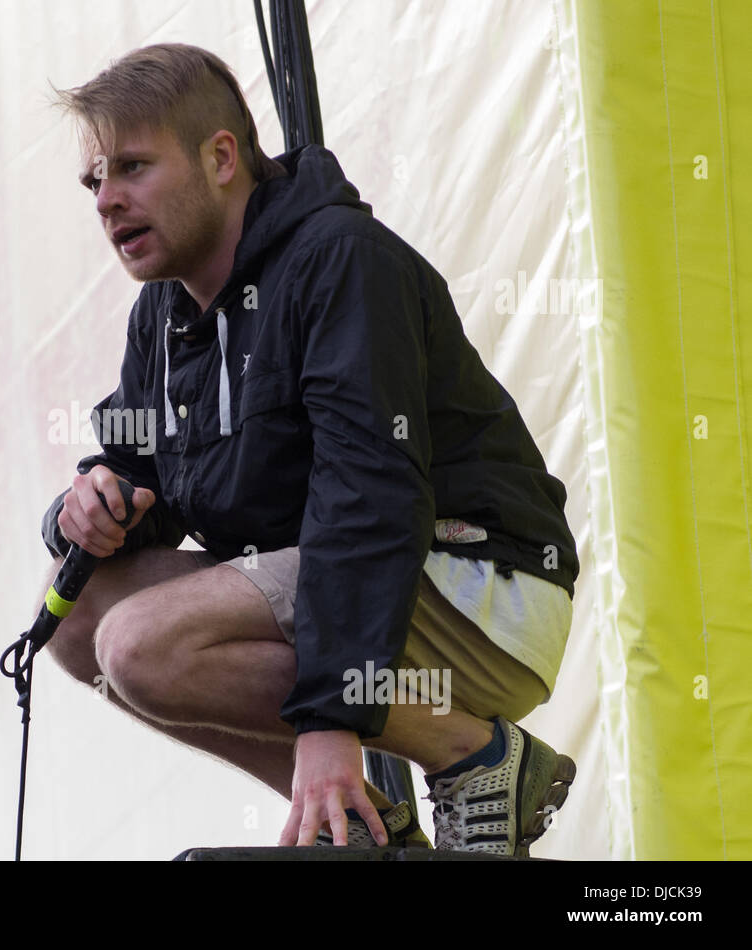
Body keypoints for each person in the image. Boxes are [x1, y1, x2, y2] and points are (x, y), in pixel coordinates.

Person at [35, 42, 578, 854]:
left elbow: (370, 498)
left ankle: (477, 759)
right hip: (360, 587)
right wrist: (94, 507)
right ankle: (364, 831)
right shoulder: (164, 314)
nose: (107, 201)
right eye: (94, 181)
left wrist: (330, 726)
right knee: (76, 617)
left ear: (222, 158)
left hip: (481, 583)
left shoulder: (338, 261)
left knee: (142, 644)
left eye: (133, 168)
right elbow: (138, 466)